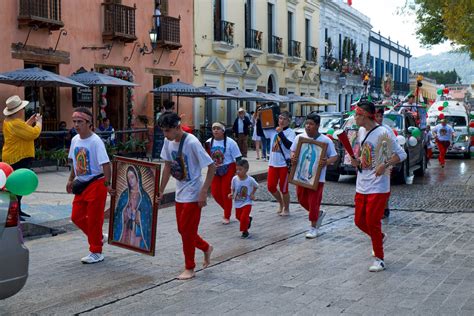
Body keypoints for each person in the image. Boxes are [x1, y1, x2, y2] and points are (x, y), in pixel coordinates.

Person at [350, 100, 407, 272]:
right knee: (359, 221)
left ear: (365, 115)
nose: (355, 118)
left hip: (378, 185)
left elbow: (401, 154)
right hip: (362, 182)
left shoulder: (383, 132)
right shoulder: (361, 131)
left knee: (372, 221)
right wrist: (356, 161)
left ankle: (379, 259)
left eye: (357, 114)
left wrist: (385, 164)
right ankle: (380, 237)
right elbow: (364, 154)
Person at [158, 112, 215, 280]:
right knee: (182, 230)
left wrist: (204, 192)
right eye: (163, 131)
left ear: (177, 127)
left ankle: (190, 267)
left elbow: (212, 167)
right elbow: (167, 166)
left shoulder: (192, 142)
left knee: (187, 231)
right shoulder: (168, 142)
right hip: (180, 192)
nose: (164, 135)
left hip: (194, 193)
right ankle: (206, 247)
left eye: (167, 131)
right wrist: (160, 190)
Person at [66, 107, 113, 264]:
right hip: (81, 184)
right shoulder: (75, 140)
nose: (76, 125)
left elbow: (106, 164)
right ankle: (98, 237)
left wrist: (107, 185)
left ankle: (96, 251)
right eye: (74, 122)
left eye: (80, 121)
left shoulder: (96, 141)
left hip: (96, 183)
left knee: (94, 220)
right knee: (76, 216)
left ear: (89, 123)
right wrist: (70, 179)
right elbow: (74, 162)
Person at [290, 112, 338, 238]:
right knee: (301, 199)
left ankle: (313, 227)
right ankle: (318, 213)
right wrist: (293, 158)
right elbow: (293, 151)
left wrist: (326, 161)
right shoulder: (299, 138)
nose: (308, 126)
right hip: (301, 175)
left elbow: (334, 156)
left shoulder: (325, 140)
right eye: (307, 124)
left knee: (313, 202)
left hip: (317, 177)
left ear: (317, 125)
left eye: (311, 124)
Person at [2, 95, 42, 221]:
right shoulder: (16, 123)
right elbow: (33, 133)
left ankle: (17, 210)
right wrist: (39, 123)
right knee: (17, 187)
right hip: (18, 157)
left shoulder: (9, 122)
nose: (23, 110)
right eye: (21, 108)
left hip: (13, 156)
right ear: (18, 111)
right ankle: (15, 212)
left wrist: (30, 122)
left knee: (16, 186)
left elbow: (22, 130)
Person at [205, 122, 241, 225]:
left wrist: (239, 171)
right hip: (215, 169)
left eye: (218, 128)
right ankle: (227, 209)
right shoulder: (208, 142)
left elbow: (238, 157)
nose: (215, 130)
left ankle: (227, 215)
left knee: (226, 192)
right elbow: (205, 156)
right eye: (213, 128)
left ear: (223, 131)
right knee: (215, 193)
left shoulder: (231, 142)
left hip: (228, 167)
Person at [263, 111, 296, 216]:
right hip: (273, 163)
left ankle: (286, 208)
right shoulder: (273, 130)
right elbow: (262, 131)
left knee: (284, 188)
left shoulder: (291, 132)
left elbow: (289, 145)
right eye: (280, 118)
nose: (281, 121)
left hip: (283, 165)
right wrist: (260, 117)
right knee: (271, 186)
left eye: (284, 119)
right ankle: (281, 203)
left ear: (288, 121)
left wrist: (281, 133)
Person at [114, 165, 153, 250]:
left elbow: (148, 215)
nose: (130, 180)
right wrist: (125, 213)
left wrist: (139, 215)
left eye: (132, 177)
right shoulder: (124, 194)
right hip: (127, 230)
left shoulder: (144, 197)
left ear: (137, 177)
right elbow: (118, 212)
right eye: (128, 178)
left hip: (138, 231)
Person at [228, 159, 258, 238]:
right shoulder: (234, 179)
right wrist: (231, 193)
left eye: (240, 170)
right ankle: (249, 220)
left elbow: (256, 186)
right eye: (236, 169)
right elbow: (232, 188)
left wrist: (252, 194)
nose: (238, 171)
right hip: (238, 202)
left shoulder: (250, 180)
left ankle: (245, 232)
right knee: (238, 217)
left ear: (246, 170)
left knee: (243, 217)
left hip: (247, 202)